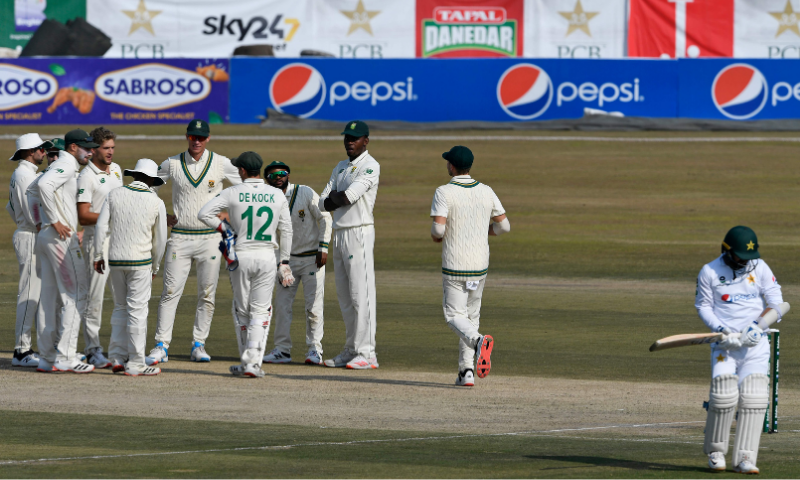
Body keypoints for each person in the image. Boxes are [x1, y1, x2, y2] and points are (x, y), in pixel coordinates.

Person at [146, 119, 241, 365]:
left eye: (200, 137)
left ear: (207, 138)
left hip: (210, 238)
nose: (196, 141)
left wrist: (230, 212)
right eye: (192, 137)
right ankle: (161, 345)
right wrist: (159, 213)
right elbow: (149, 185)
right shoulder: (173, 163)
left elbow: (243, 189)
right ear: (187, 137)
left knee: (207, 293)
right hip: (180, 237)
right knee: (169, 291)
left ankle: (199, 344)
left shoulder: (221, 163)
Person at [197, 152, 293, 378]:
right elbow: (286, 229)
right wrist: (284, 261)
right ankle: (251, 363)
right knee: (261, 310)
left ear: (241, 171)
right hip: (267, 256)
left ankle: (248, 361)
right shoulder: (276, 194)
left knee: (242, 310)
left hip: (240, 255)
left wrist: (226, 229)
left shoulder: (232, 192)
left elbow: (204, 214)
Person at [695, 226, 783, 474]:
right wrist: (721, 330)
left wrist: (758, 326)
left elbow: (779, 303)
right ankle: (716, 451)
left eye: (748, 259)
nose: (745, 263)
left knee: (754, 399)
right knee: (723, 396)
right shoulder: (710, 271)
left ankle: (745, 458)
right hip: (725, 346)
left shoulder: (760, 267)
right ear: (727, 251)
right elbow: (703, 306)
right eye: (740, 258)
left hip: (755, 346)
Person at [430, 146, 508, 387]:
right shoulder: (486, 191)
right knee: (471, 316)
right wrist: (483, 231)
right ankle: (467, 372)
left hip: (455, 266)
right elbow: (504, 227)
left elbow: (438, 231)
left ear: (452, 166)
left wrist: (438, 235)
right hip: (479, 266)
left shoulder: (444, 192)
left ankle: (478, 342)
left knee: (454, 315)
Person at [27, 129, 98, 373]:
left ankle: (47, 357)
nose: (91, 151)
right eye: (86, 147)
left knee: (49, 298)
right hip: (60, 237)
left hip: (47, 236)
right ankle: (66, 356)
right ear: (72, 148)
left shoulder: (59, 164)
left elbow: (32, 191)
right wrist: (55, 220)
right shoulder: (66, 164)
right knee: (77, 293)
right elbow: (43, 186)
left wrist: (41, 222)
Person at [94, 159, 167, 376]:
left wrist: (99, 254)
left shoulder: (115, 194)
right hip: (140, 262)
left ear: (135, 175)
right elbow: (161, 240)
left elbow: (100, 226)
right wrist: (155, 267)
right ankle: (135, 362)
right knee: (137, 311)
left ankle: (116, 357)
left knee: (120, 307)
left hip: (115, 261)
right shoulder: (156, 201)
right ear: (151, 180)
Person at [318, 120, 380, 369]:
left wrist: (335, 198)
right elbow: (322, 203)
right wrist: (334, 199)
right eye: (347, 138)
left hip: (359, 233)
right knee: (345, 296)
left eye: (355, 138)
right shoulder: (340, 167)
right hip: (339, 233)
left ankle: (368, 353)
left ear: (366, 140)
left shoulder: (370, 166)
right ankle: (351, 348)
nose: (349, 142)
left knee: (360, 295)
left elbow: (347, 197)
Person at [262, 161, 332, 365]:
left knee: (313, 307)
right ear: (267, 179)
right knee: (283, 307)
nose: (279, 178)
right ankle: (282, 350)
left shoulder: (305, 192)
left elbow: (325, 217)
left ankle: (314, 350)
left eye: (282, 173)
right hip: (287, 262)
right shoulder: (267, 199)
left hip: (312, 258)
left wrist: (323, 246)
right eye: (273, 175)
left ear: (288, 175)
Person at [76, 127, 122, 369]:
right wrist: (111, 216)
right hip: (97, 243)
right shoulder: (86, 176)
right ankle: (93, 349)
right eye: (106, 148)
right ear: (94, 149)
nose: (110, 152)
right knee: (94, 298)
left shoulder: (116, 170)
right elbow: (83, 216)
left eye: (113, 147)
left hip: (118, 241)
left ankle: (119, 349)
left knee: (120, 296)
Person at [7, 134, 52, 367]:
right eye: (40, 149)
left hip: (28, 233)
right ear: (28, 152)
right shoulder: (25, 175)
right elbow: (31, 210)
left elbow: (10, 208)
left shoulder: (24, 174)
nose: (44, 152)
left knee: (36, 293)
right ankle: (21, 351)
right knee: (29, 293)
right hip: (30, 236)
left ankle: (28, 347)